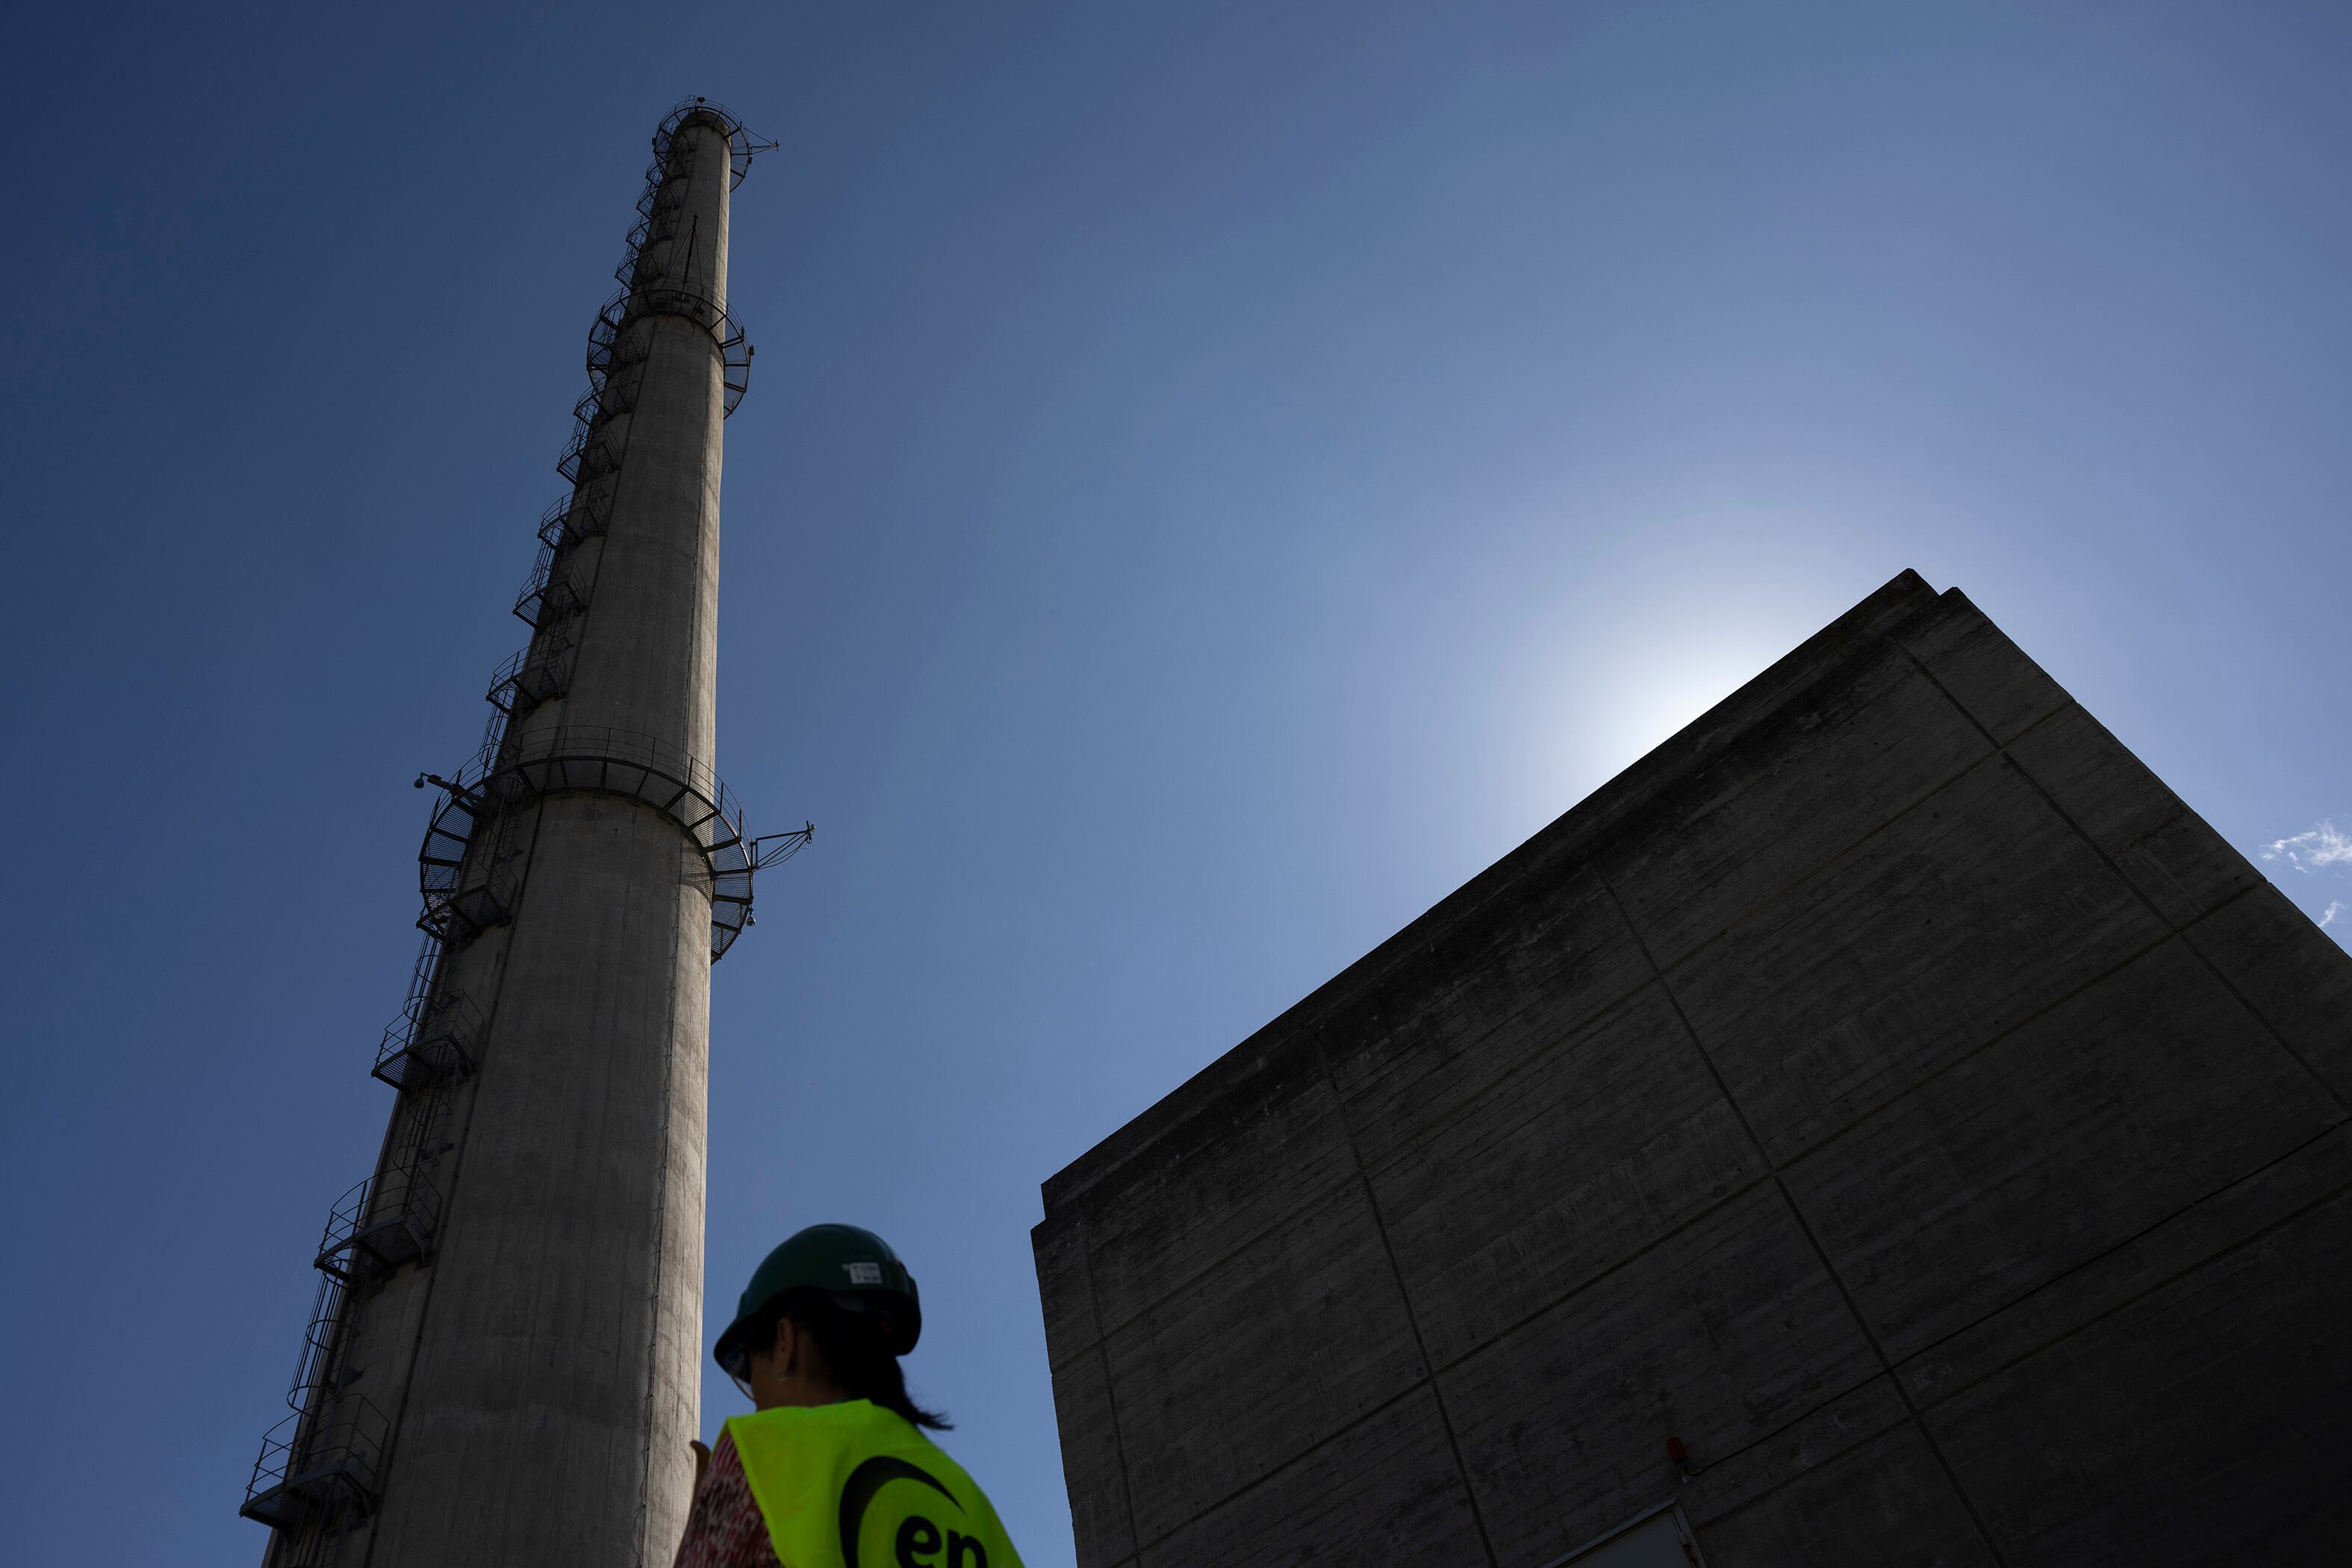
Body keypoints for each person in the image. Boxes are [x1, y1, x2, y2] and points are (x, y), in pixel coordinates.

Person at [673, 1223, 1024, 1568]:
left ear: (784, 1342)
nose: (755, 1401)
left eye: (749, 1375)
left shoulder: (763, 1455)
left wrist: (710, 1516)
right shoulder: (972, 1505)